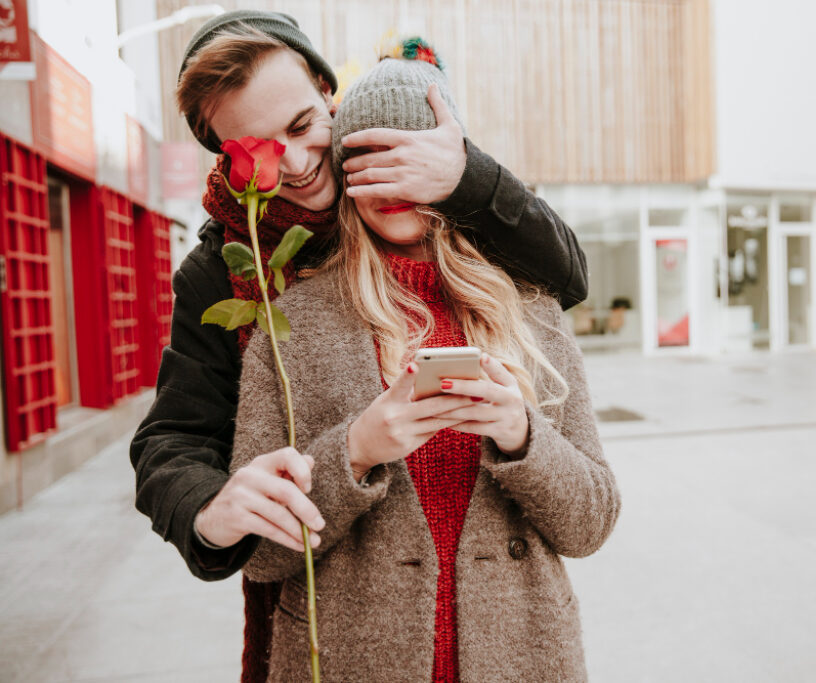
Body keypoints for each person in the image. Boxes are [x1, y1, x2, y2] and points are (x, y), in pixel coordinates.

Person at [128, 10, 588, 682]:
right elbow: (171, 437)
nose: (297, 163)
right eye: (256, 148)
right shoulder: (224, 267)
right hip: (334, 622)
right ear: (225, 155)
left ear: (326, 91)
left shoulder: (414, 175)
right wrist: (208, 506)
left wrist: (467, 179)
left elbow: (564, 274)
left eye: (302, 125)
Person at [230, 41, 619, 682]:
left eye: (409, 152)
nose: (391, 177)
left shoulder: (530, 304)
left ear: (448, 163)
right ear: (344, 171)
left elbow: (592, 523)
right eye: (367, 156)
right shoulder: (293, 319)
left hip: (523, 659)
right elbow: (262, 555)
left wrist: (522, 436)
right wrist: (354, 450)